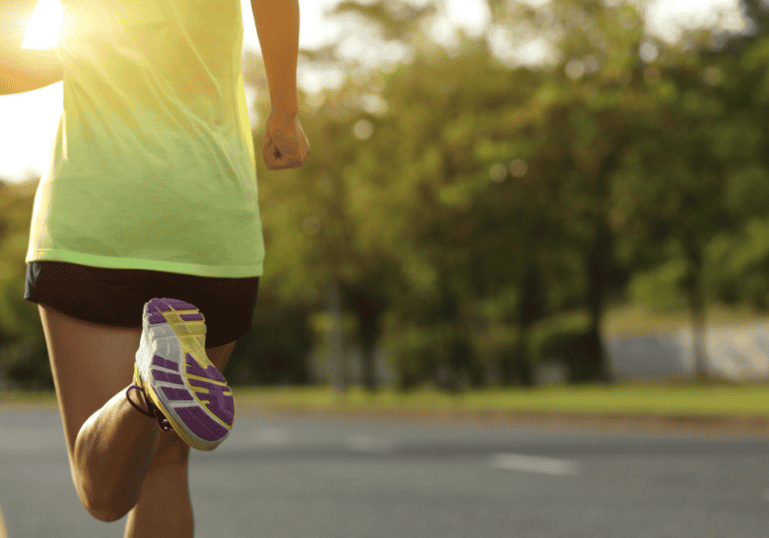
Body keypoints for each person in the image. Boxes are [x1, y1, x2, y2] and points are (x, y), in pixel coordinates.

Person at [1, 0, 309, 534]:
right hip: (212, 224)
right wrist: (286, 115)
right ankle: (161, 386)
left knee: (104, 493)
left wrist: (80, 54)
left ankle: (147, 390)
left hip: (95, 225)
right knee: (166, 466)